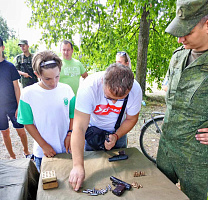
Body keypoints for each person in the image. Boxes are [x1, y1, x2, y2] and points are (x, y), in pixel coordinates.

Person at [156, 0, 208, 199]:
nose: (180, 39)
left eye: (187, 31)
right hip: (167, 150)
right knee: (158, 193)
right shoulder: (177, 57)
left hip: (197, 161)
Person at [69, 63, 142, 191]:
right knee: (92, 164)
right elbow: (79, 128)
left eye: (120, 99)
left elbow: (131, 119)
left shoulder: (135, 89)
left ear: (129, 89)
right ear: (103, 81)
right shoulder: (89, 87)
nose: (113, 102)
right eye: (108, 97)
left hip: (118, 131)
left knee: (120, 170)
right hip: (93, 132)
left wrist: (116, 135)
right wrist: (77, 166)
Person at [17, 50, 75, 172]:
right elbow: (27, 123)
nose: (54, 82)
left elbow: (72, 115)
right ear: (37, 74)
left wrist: (70, 133)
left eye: (57, 76)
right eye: (48, 78)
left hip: (67, 149)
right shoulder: (28, 94)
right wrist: (43, 145)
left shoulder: (67, 89)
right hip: (44, 153)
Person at [0, 37, 31, 159]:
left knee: (21, 132)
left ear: (2, 48)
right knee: (5, 133)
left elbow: (17, 87)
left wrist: (19, 106)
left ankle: (26, 152)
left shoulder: (10, 66)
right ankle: (12, 156)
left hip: (13, 105)